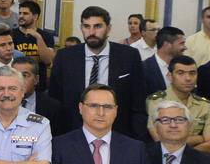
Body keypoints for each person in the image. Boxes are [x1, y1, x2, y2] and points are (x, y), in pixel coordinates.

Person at [47, 7, 147, 138]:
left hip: (118, 133)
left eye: (98, 26)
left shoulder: (129, 56)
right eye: (86, 26)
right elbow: (55, 100)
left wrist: (137, 139)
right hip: (73, 133)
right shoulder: (65, 57)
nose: (91, 32)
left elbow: (138, 102)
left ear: (108, 28)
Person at [146, 56, 210, 155]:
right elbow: (161, 142)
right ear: (170, 76)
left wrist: (184, 155)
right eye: (181, 73)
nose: (188, 78)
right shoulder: (156, 102)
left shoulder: (204, 104)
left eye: (192, 73)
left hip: (197, 162)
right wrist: (199, 138)